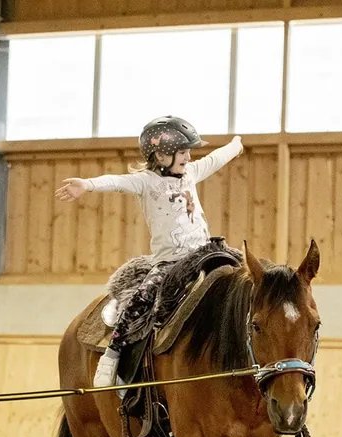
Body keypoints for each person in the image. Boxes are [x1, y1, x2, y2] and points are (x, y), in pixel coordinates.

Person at [55, 115, 244, 389]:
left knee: (245, 277)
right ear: (160, 154)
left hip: (206, 251)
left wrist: (234, 146)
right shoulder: (146, 182)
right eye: (182, 152)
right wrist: (87, 184)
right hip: (171, 262)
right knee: (139, 300)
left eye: (189, 151)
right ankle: (112, 354)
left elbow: (214, 160)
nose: (188, 157)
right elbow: (116, 181)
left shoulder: (190, 173)